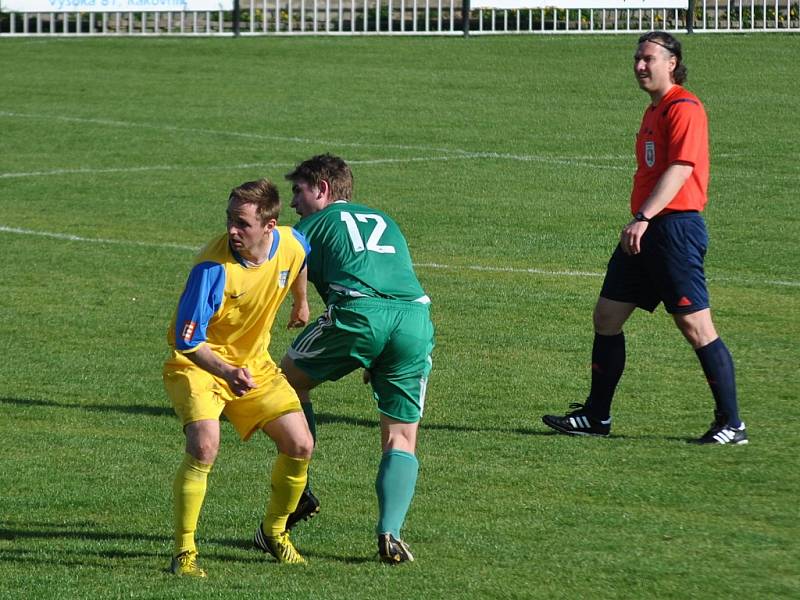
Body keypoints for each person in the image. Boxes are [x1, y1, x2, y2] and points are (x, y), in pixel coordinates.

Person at [542, 31, 746, 445]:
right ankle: (596, 417)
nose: (639, 66)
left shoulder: (684, 107)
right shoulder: (654, 111)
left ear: (672, 62)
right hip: (646, 229)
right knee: (607, 316)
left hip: (673, 228)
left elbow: (682, 168)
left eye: (648, 58)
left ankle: (732, 423)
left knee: (695, 325)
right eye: (637, 58)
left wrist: (644, 217)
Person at [278, 154, 435, 564]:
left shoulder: (314, 223)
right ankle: (391, 532)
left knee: (287, 382)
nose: (294, 203)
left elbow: (286, 260)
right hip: (414, 320)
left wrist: (301, 305)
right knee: (402, 436)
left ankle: (298, 490)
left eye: (299, 191)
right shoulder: (384, 219)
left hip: (359, 314)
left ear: (323, 189)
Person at [164, 178, 315, 578]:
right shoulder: (212, 269)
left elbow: (301, 257)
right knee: (205, 445)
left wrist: (301, 301)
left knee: (300, 443)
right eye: (230, 220)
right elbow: (186, 339)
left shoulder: (290, 242)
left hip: (253, 365)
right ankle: (184, 552)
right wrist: (227, 372)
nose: (232, 230)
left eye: (242, 223)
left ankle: (274, 533)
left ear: (269, 226)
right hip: (199, 366)